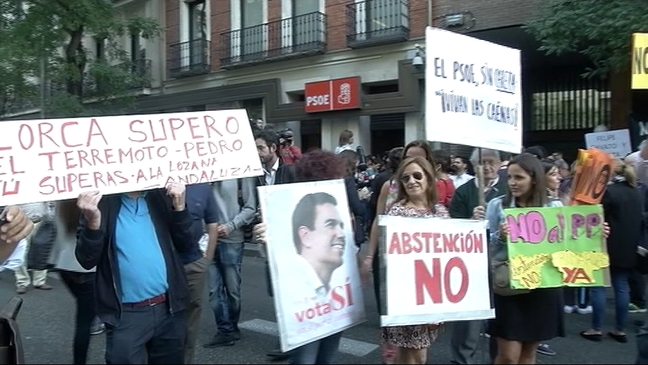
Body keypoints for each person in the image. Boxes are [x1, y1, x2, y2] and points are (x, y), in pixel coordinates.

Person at [75, 184, 202, 364]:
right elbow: (86, 260)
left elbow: (188, 245)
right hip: (126, 314)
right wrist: (93, 222)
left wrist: (179, 208)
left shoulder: (162, 195)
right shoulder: (101, 203)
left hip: (169, 309)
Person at [254, 150, 354, 364]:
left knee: (326, 357)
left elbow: (348, 250)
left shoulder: (337, 206)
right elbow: (277, 256)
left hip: (335, 304)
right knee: (306, 359)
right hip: (305, 306)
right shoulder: (291, 207)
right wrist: (265, 239)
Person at [485, 154, 568, 364]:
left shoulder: (554, 207)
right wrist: (499, 236)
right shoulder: (497, 205)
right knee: (508, 356)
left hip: (543, 286)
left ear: (534, 179)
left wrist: (595, 233)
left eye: (519, 177)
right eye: (510, 177)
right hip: (509, 285)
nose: (512, 183)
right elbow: (484, 245)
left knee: (528, 354)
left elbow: (569, 243)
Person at [381, 156, 449, 364]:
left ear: (428, 178)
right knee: (415, 356)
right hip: (407, 294)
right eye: (405, 178)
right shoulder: (397, 212)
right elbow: (389, 256)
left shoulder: (441, 212)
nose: (411, 181)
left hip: (433, 293)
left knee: (415, 353)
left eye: (417, 175)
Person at [449, 148, 507, 365]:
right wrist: (470, 220)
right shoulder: (463, 192)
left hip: (501, 264)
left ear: (501, 163)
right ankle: (462, 360)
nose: (488, 167)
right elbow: (452, 228)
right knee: (469, 324)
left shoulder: (507, 189)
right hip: (471, 264)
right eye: (483, 162)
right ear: (474, 166)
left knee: (500, 324)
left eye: (493, 162)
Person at [581, 162, 642, 344]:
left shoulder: (609, 192)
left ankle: (596, 328)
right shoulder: (636, 193)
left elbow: (595, 216)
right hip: (628, 247)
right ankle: (620, 329)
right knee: (622, 287)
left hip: (605, 244)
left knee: (599, 286)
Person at [254, 129, 297, 361]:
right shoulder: (256, 175)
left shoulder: (290, 172)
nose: (258, 152)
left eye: (261, 148)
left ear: (273, 148)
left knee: (289, 292)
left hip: (289, 242)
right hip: (268, 244)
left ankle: (292, 342)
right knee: (276, 291)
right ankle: (289, 339)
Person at [51, 200, 98, 364]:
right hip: (89, 267)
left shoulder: (61, 201)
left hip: (64, 264)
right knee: (85, 321)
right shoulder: (93, 203)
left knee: (83, 318)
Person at [182, 183, 220, 364]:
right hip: (164, 266)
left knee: (190, 320)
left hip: (194, 264)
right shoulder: (156, 186)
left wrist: (207, 259)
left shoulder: (202, 187)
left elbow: (212, 222)